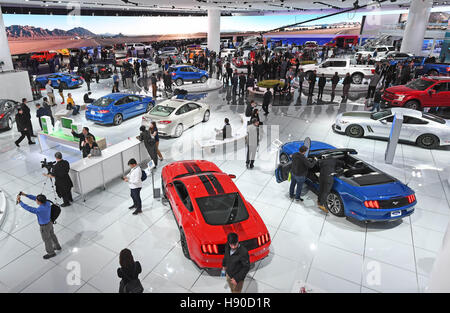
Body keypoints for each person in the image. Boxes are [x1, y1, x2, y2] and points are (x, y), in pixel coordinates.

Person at [17, 192, 61, 259]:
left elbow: (28, 208)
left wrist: (20, 202)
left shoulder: (39, 210)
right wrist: (25, 195)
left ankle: (51, 253)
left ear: (39, 202)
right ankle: (57, 246)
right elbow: (35, 197)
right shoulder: (47, 203)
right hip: (50, 223)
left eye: (37, 200)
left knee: (47, 240)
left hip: (44, 227)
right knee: (52, 234)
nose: (36, 200)